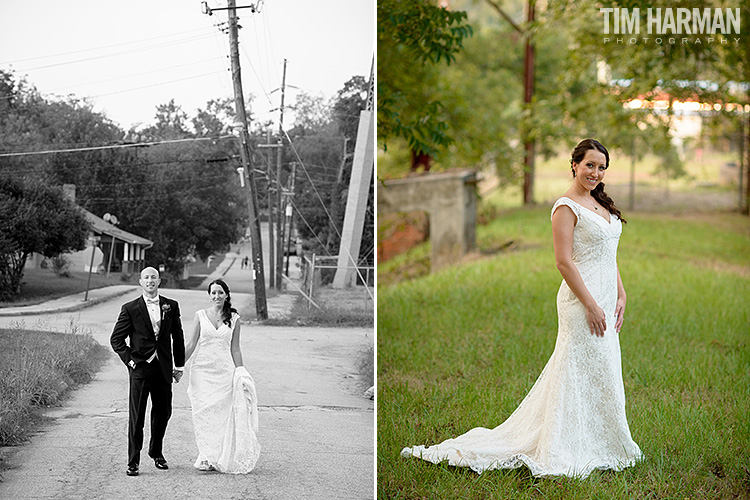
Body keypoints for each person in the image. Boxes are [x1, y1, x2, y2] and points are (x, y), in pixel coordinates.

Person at [401, 139, 643, 478]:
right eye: (590, 165)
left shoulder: (599, 203)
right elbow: (563, 262)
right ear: (574, 165)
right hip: (580, 301)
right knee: (574, 368)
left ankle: (601, 439)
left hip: (605, 298)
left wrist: (620, 293)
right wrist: (589, 303)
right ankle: (562, 444)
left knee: (602, 368)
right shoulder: (566, 207)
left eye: (602, 167)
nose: (596, 172)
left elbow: (607, 254)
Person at [110, 266, 185, 477]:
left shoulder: (171, 306)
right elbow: (116, 339)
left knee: (163, 414)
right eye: (146, 278)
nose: (150, 281)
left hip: (163, 369)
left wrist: (179, 366)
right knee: (137, 418)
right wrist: (130, 362)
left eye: (153, 277)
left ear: (159, 281)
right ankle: (133, 461)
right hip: (140, 370)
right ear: (141, 282)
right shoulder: (130, 308)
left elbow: (177, 337)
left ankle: (156, 452)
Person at [185, 278, 260, 473]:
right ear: (209, 296)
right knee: (202, 413)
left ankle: (216, 457)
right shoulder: (200, 315)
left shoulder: (234, 319)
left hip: (224, 372)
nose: (216, 296)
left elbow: (235, 349)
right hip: (201, 371)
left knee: (221, 416)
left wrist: (241, 373)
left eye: (220, 292)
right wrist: (177, 366)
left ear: (226, 295)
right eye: (213, 293)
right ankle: (205, 456)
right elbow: (191, 345)